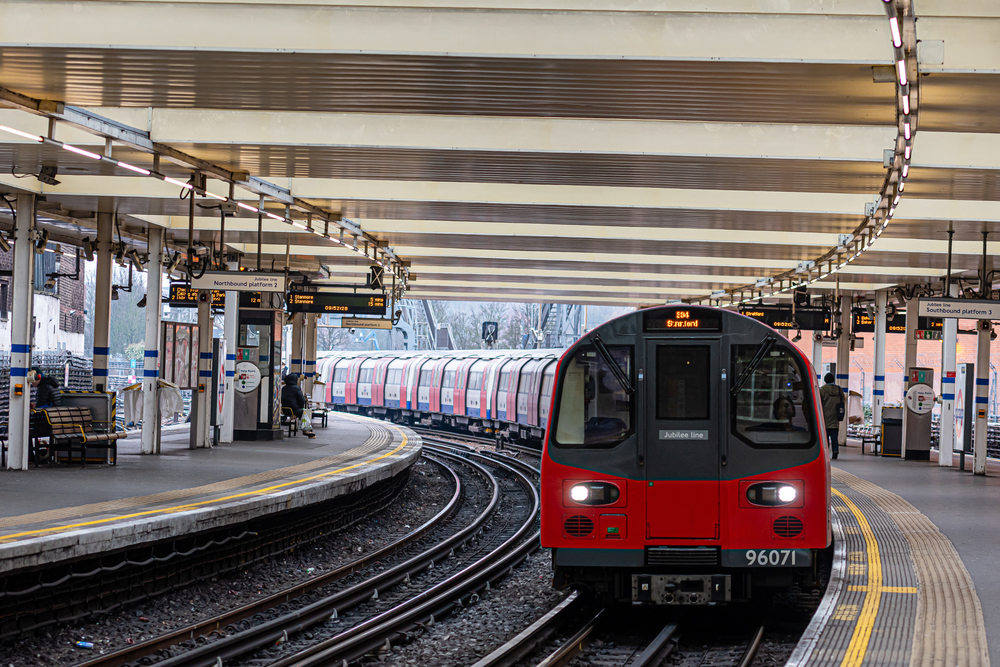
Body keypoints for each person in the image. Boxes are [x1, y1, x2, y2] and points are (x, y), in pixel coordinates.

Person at [281, 374, 315, 439]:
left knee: (302, 412)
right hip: (295, 410)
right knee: (306, 412)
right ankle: (306, 430)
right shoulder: (296, 388)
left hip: (285, 410)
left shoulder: (284, 388)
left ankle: (305, 429)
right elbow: (302, 400)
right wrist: (301, 407)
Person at [819, 373, 844, 459]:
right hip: (835, 417)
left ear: (825, 380)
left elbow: (819, 403)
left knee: (825, 438)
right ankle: (835, 451)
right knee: (834, 436)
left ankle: (825, 452)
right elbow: (843, 400)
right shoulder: (838, 389)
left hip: (824, 418)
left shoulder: (822, 390)